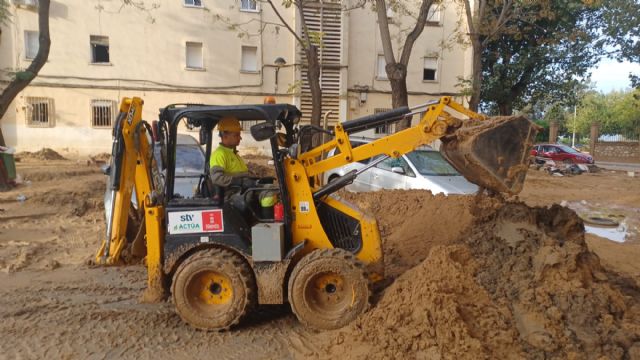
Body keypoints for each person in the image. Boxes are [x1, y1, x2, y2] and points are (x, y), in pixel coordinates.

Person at [209, 117, 250, 189]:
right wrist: (240, 182)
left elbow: (241, 173)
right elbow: (217, 179)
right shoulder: (219, 154)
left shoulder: (233, 153)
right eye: (236, 135)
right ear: (225, 136)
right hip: (233, 193)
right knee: (269, 195)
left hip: (242, 190)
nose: (240, 138)